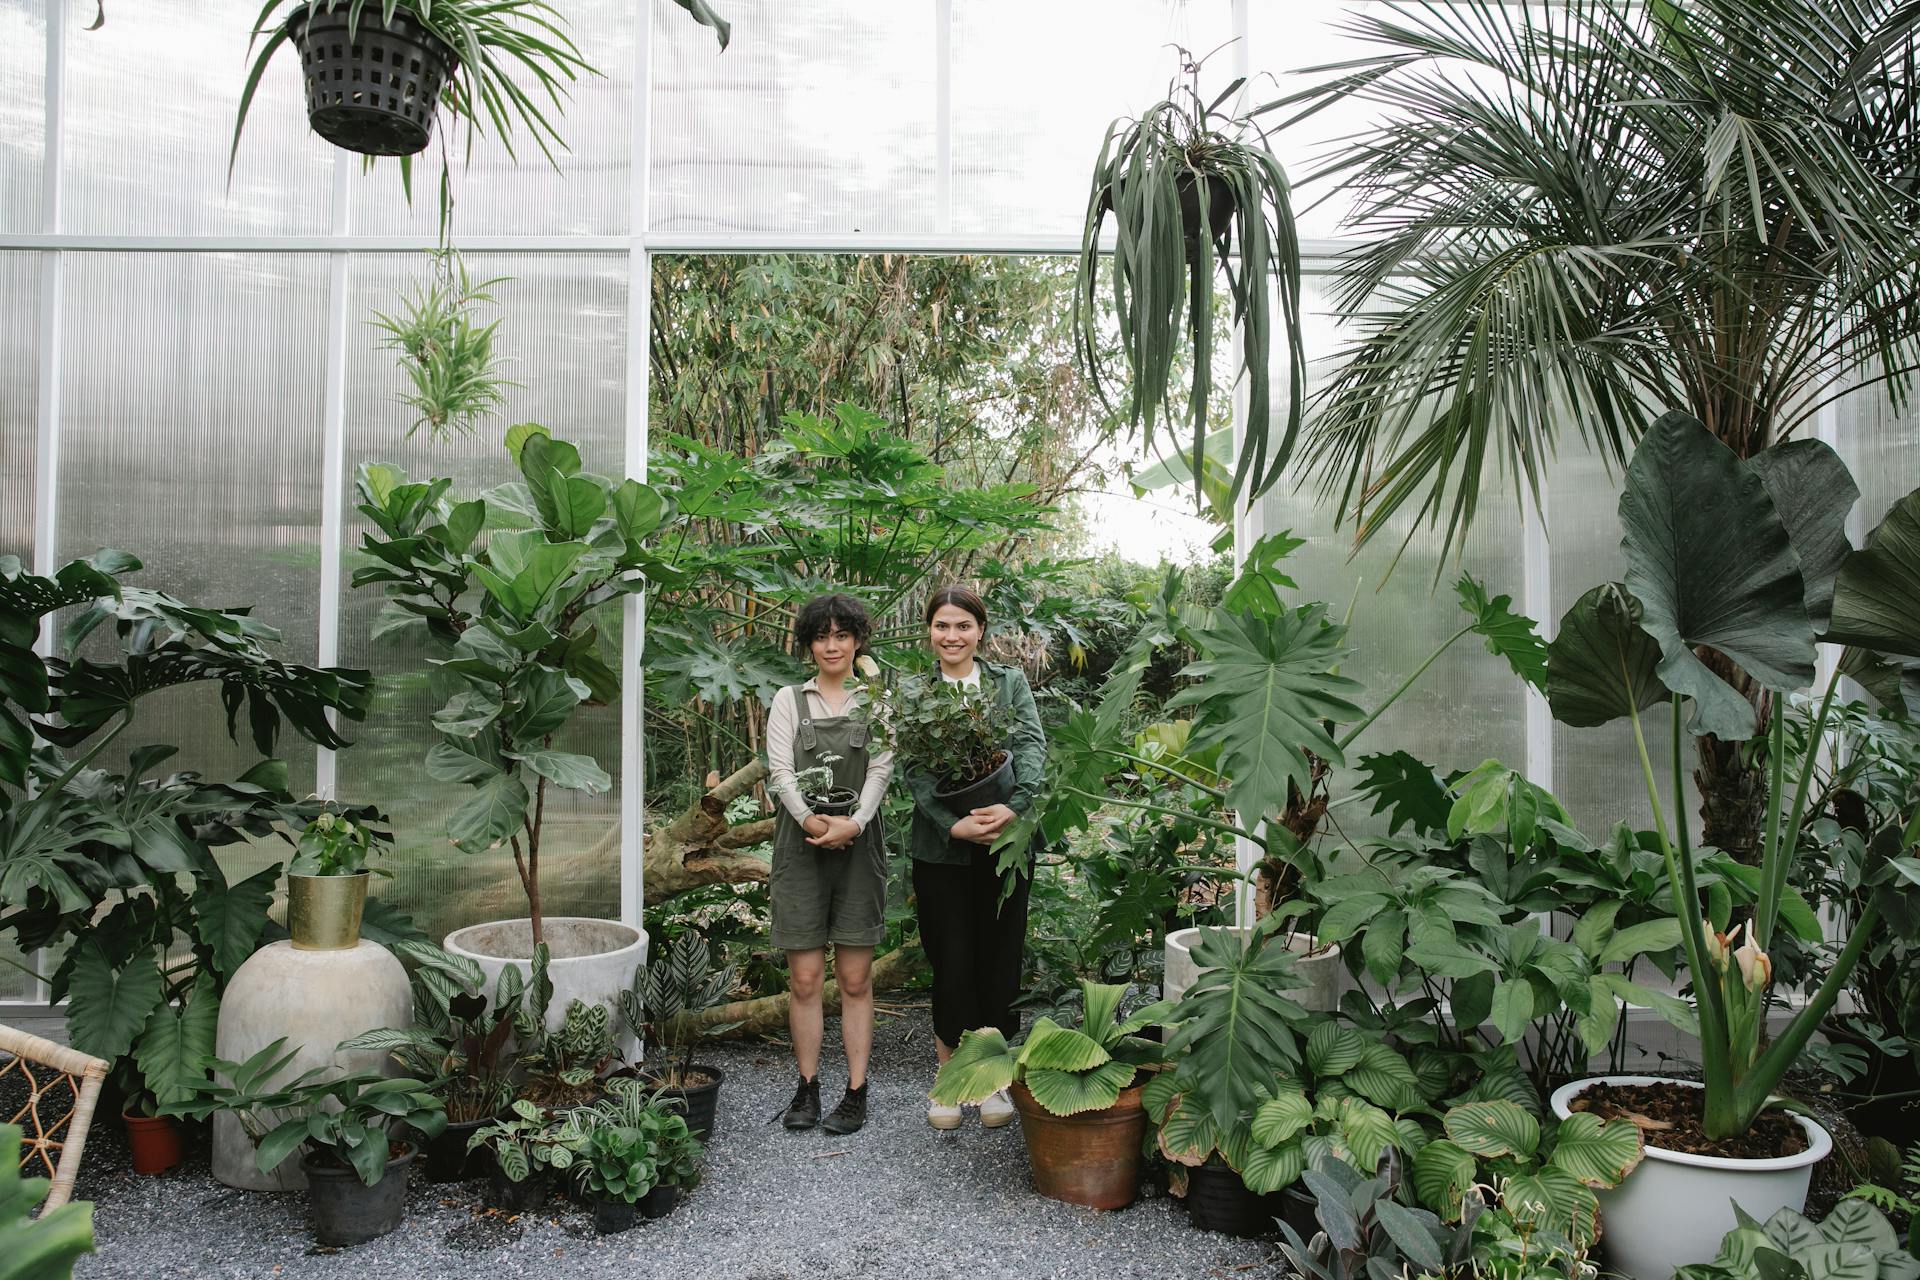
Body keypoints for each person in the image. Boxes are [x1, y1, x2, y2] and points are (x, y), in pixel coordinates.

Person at [903, 585, 1047, 1130]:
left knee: (999, 957)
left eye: (963, 625)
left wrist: (1016, 807)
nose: (952, 636)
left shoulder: (1008, 683)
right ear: (930, 632)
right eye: (942, 626)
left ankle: (993, 1083)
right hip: (942, 851)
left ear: (980, 631)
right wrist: (952, 822)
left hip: (1007, 845)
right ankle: (948, 1082)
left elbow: (1032, 745)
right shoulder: (916, 691)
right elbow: (913, 768)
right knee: (951, 959)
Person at [765, 593, 893, 1135]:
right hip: (801, 846)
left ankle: (856, 1091)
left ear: (857, 640)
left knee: (856, 977)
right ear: (808, 644)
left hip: (859, 846)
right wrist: (812, 822)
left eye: (842, 635)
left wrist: (854, 823)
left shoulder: (876, 701)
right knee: (805, 977)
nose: (832, 645)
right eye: (822, 636)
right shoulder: (789, 700)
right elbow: (779, 772)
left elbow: (882, 769)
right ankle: (807, 1086)